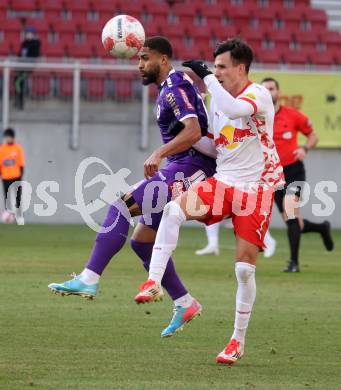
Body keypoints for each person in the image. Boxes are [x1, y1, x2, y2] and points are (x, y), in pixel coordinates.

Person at [48, 36, 217, 337]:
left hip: (192, 168)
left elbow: (193, 131)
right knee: (141, 242)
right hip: (180, 166)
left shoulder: (174, 86)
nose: (140, 65)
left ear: (163, 60)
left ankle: (89, 277)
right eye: (139, 59)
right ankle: (184, 302)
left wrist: (159, 153)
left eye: (145, 58)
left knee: (121, 206)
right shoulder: (169, 87)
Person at [134, 38, 284, 365]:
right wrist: (176, 141)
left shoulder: (256, 94)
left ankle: (236, 340)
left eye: (221, 67)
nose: (214, 72)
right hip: (224, 183)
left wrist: (209, 80)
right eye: (213, 66)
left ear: (240, 68)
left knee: (244, 270)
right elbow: (215, 146)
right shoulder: (215, 99)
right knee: (173, 210)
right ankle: (153, 282)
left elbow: (234, 109)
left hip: (255, 190)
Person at [261, 77, 334, 273]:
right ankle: (321, 228)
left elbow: (313, 135)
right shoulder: (258, 118)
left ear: (278, 92)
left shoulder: (293, 115)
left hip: (294, 170)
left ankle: (294, 263)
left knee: (291, 213)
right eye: (264, 89)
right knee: (293, 221)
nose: (268, 92)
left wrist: (304, 148)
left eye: (271, 88)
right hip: (272, 175)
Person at [194, 221, 277, 258]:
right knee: (212, 211)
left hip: (243, 189)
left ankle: (268, 241)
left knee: (250, 213)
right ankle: (212, 245)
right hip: (227, 187)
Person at [0, 128, 25, 225]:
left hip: (16, 176)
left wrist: (21, 176)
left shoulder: (17, 148)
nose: (8, 139)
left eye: (9, 137)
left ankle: (19, 217)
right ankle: (8, 217)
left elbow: (21, 164)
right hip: (5, 177)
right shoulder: (2, 148)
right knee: (7, 198)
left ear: (13, 137)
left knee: (17, 197)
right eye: (6, 137)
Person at [14, 26, 41, 110]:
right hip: (21, 67)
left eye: (30, 34)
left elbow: (35, 55)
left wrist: (27, 62)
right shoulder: (24, 43)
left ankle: (20, 102)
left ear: (33, 35)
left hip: (28, 67)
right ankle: (18, 101)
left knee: (18, 82)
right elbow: (20, 54)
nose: (28, 35)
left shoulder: (36, 43)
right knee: (17, 82)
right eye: (27, 33)